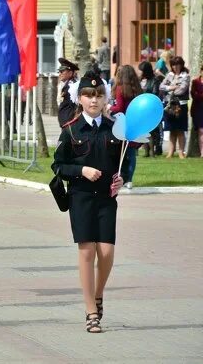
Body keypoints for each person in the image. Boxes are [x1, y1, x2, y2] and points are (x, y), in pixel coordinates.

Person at [52, 71, 124, 334]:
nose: (94, 100)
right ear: (79, 98)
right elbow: (58, 165)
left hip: (107, 198)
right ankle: (90, 311)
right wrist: (81, 171)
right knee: (87, 251)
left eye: (98, 95)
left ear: (105, 98)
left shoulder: (114, 129)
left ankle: (98, 292)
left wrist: (121, 179)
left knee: (106, 252)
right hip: (81, 197)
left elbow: (123, 162)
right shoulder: (70, 129)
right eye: (88, 95)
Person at [109, 65, 141, 189]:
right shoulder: (137, 89)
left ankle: (121, 178)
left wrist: (108, 108)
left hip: (122, 124)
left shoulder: (120, 88)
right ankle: (129, 180)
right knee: (132, 154)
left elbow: (119, 108)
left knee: (120, 153)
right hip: (135, 123)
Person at [160, 56, 190, 159]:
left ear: (181, 65)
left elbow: (181, 90)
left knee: (180, 129)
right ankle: (170, 152)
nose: (175, 67)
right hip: (169, 105)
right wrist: (172, 87)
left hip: (181, 104)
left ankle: (181, 152)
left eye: (177, 64)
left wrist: (169, 88)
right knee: (171, 129)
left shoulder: (185, 76)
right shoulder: (169, 75)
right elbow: (161, 86)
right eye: (173, 64)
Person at [137, 61, 163, 156]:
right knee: (144, 130)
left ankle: (152, 151)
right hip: (142, 108)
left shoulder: (154, 80)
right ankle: (146, 151)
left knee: (151, 131)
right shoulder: (141, 81)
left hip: (150, 107)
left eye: (141, 70)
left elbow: (155, 93)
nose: (139, 72)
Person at [57, 57, 80, 127]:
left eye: (62, 71)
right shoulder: (65, 85)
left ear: (70, 73)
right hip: (66, 121)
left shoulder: (73, 86)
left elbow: (77, 104)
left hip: (70, 121)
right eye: (59, 72)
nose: (60, 74)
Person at [191, 64, 203, 158]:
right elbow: (194, 95)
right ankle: (202, 152)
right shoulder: (195, 82)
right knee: (201, 130)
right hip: (198, 108)